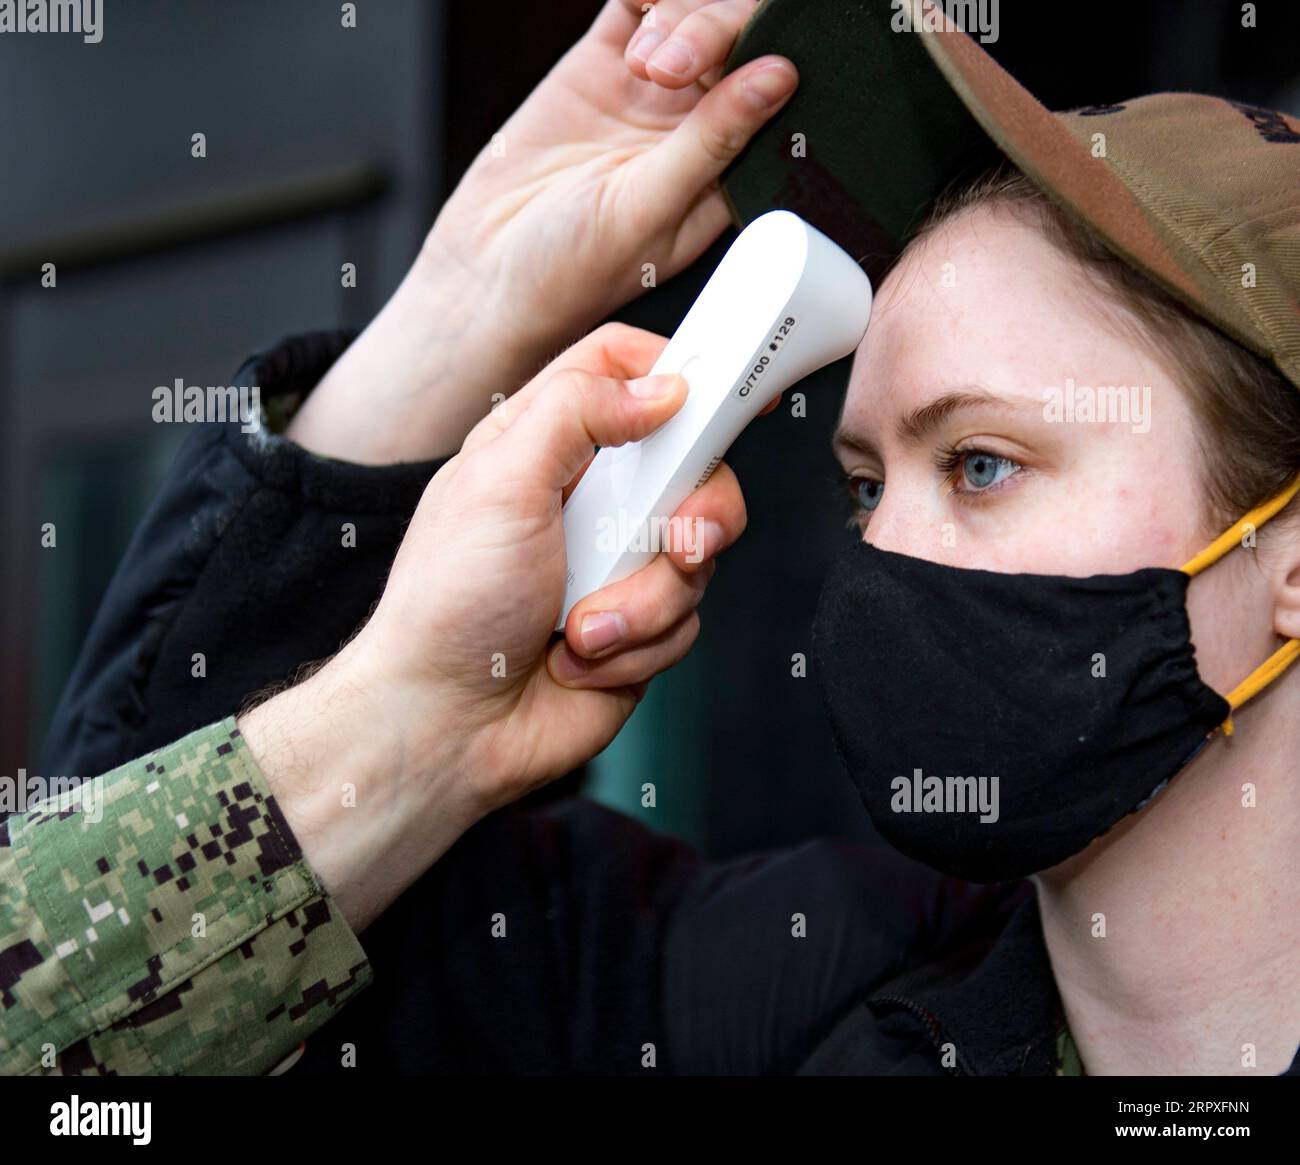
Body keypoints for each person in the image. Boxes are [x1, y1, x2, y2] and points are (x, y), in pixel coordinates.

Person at [4, 0, 1298, 1077]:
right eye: (861, 486)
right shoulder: (766, 1001)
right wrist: (456, 329)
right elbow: (88, 1022)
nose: (886, 553)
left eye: (980, 463)